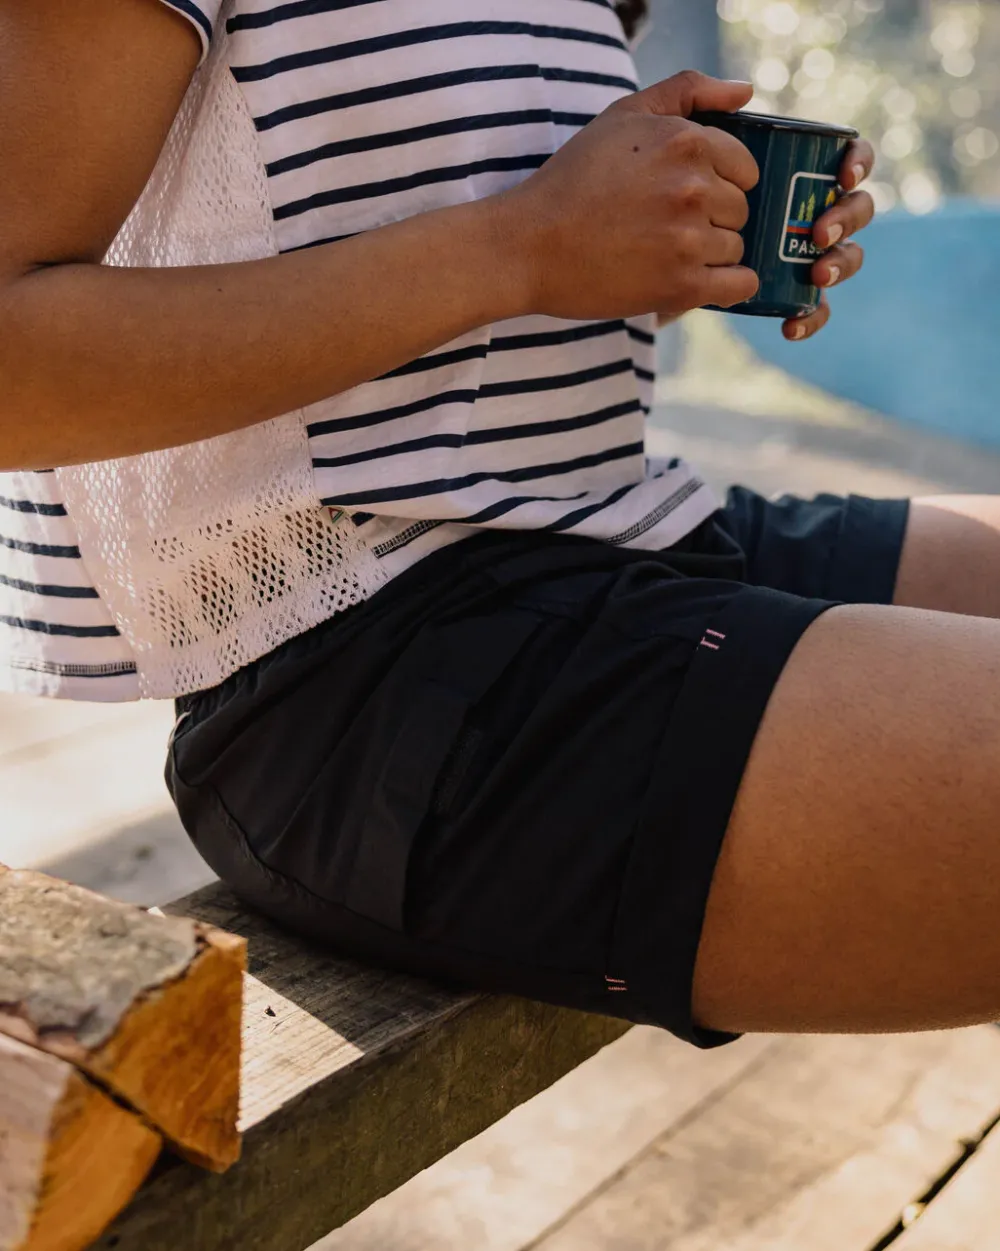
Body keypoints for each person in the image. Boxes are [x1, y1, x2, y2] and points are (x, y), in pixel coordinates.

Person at [2, 0, 998, 1050]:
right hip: (365, 667)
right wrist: (524, 246)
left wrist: (673, 241)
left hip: (622, 524)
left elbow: (496, 300)